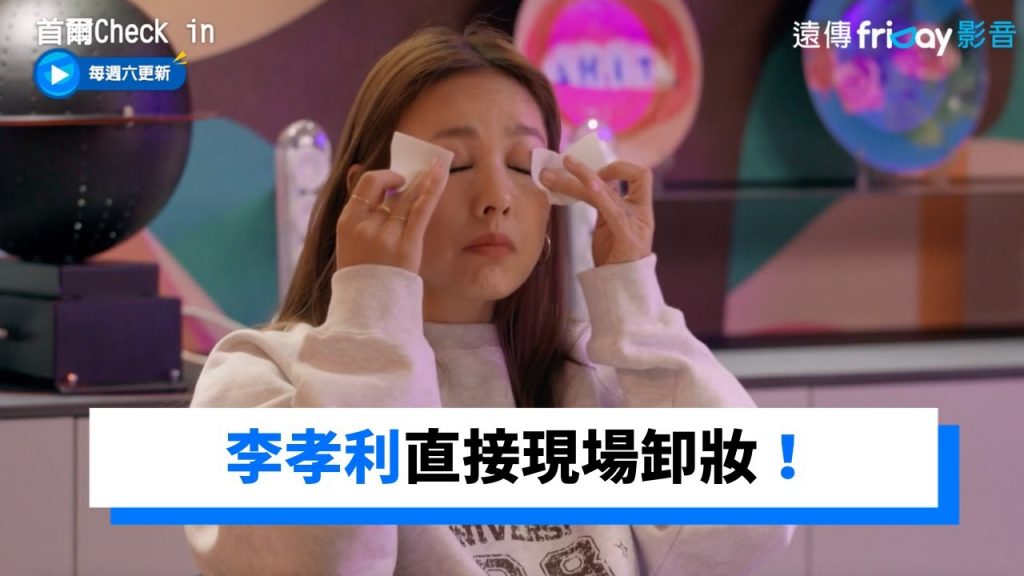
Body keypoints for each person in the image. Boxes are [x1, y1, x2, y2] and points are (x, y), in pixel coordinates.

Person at [185, 24, 793, 576]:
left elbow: (748, 531)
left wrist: (634, 297)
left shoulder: (597, 377)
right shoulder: (260, 378)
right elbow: (323, 561)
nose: (497, 197)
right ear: (370, 191)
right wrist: (372, 302)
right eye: (455, 166)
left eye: (524, 165)